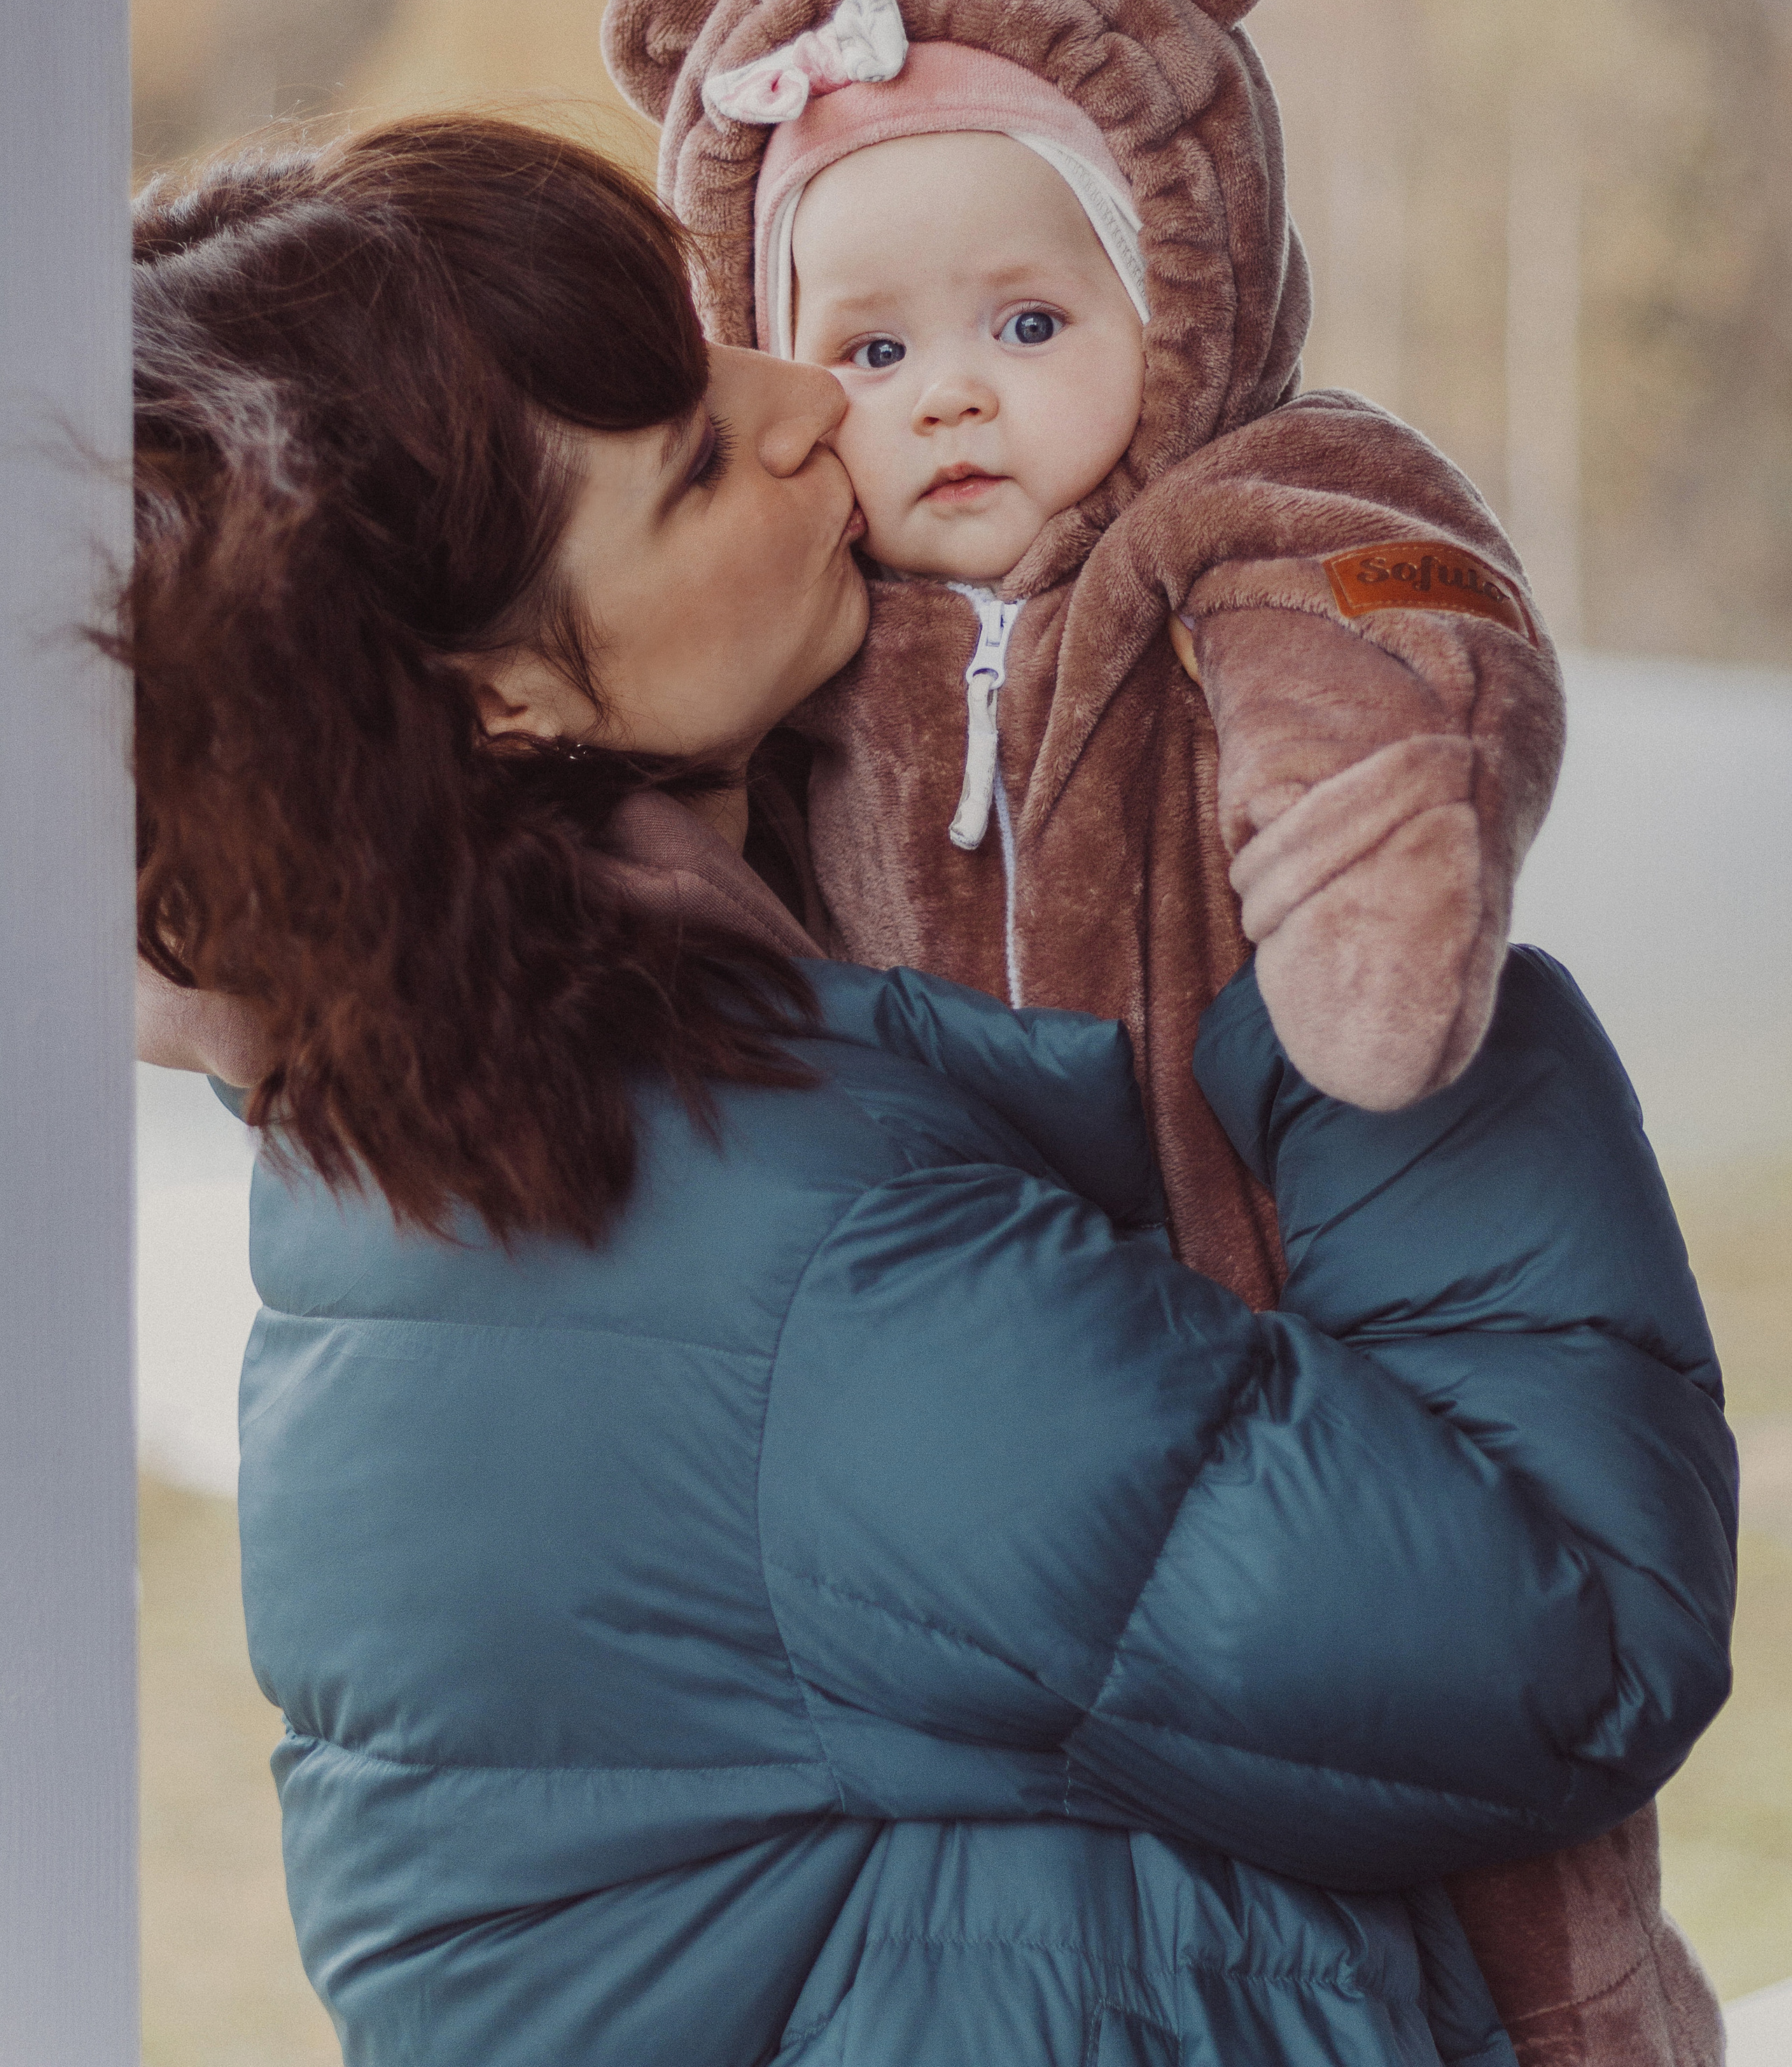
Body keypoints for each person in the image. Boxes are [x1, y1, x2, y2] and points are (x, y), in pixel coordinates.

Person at [130, 116, 1733, 2067]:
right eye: (700, 461)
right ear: (496, 699)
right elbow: (1557, 1649)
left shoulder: (438, 1116)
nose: (813, 398)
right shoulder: (775, 1251)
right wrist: (1372, 971)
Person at [599, 0, 1718, 2061]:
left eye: (1031, 323)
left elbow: (1400, 643)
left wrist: (1363, 854)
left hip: (1295, 1310)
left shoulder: (1255, 515)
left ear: (1174, 298)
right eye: (877, 344)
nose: (955, 395)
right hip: (974, 1422)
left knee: (1516, 1900)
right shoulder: (794, 656)